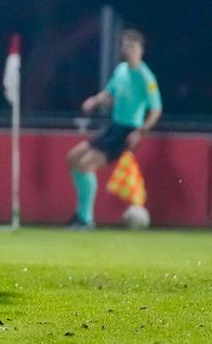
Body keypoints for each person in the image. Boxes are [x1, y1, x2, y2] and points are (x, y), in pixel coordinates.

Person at [66, 29, 161, 230]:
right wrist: (95, 100)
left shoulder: (146, 77)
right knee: (73, 158)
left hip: (126, 132)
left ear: (141, 50)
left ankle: (86, 219)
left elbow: (156, 109)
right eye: (126, 46)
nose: (129, 50)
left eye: (133, 46)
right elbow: (110, 92)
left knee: (85, 165)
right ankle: (81, 213)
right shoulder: (120, 70)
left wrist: (141, 131)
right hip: (113, 127)